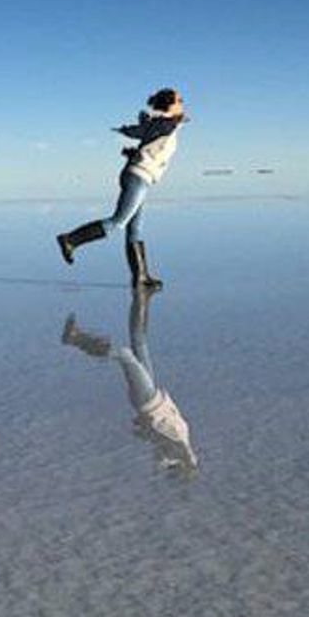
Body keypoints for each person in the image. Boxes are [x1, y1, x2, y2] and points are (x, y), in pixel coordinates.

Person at [56, 89, 186, 289]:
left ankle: (140, 277)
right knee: (119, 222)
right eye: (180, 100)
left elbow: (150, 142)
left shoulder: (166, 125)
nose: (183, 102)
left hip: (142, 176)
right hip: (138, 177)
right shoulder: (164, 123)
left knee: (135, 229)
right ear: (170, 104)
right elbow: (144, 131)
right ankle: (70, 239)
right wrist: (130, 130)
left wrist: (135, 147)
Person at [61, 291, 197, 476]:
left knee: (125, 355)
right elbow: (182, 457)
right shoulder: (175, 445)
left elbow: (172, 457)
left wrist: (181, 464)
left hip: (146, 400)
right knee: (139, 341)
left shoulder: (173, 446)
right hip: (155, 394)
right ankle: (140, 300)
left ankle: (76, 338)